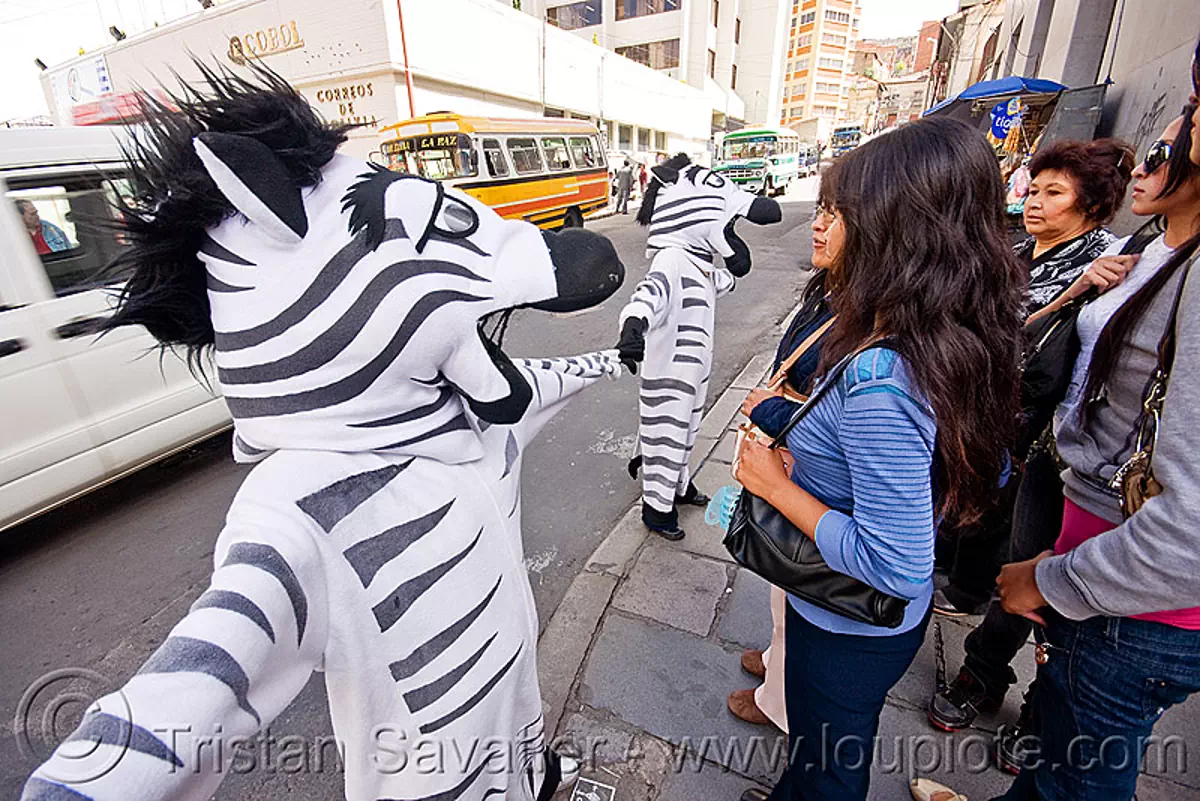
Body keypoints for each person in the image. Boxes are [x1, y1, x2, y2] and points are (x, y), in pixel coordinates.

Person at [20, 63, 629, 801]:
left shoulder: (456, 418)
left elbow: (540, 386)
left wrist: (613, 359)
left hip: (520, 738)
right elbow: (199, 680)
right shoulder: (299, 503)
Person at [734, 117, 1026, 801]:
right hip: (862, 620)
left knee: (828, 765)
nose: (828, 225)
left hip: (849, 619)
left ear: (901, 231)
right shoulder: (941, 330)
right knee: (819, 752)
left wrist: (776, 486)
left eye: (848, 212)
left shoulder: (883, 379)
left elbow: (893, 562)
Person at [927, 111, 1200, 772]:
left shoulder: (1150, 258)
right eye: (1035, 187)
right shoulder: (1143, 245)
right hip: (1063, 453)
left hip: (1127, 495)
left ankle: (1035, 712)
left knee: (1062, 609)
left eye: (1164, 152)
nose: (1148, 167)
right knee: (1023, 569)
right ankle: (986, 674)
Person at [934, 137, 1134, 619]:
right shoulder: (1022, 249)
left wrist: (1071, 294)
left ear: (1092, 204)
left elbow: (1029, 336)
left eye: (1054, 194)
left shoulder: (1106, 263)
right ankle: (944, 566)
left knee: (998, 504)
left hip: (1034, 413)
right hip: (977, 393)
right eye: (1035, 190)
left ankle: (970, 592)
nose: (1035, 203)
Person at [727, 160, 840, 729]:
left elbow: (833, 418)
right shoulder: (837, 287)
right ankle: (778, 661)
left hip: (801, 466)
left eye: (836, 214)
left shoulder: (873, 318)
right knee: (784, 592)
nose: (818, 226)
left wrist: (770, 409)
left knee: (797, 580)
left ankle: (781, 702)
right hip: (789, 451)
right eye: (820, 210)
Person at [616, 153, 781, 540]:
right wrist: (634, 324)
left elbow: (718, 283)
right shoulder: (672, 258)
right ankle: (656, 510)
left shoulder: (697, 261)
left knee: (688, 430)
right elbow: (649, 293)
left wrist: (730, 274)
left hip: (694, 367)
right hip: (670, 368)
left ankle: (679, 485)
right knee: (666, 435)